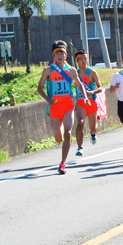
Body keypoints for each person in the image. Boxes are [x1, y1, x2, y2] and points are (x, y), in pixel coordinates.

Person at [37, 40, 90, 174]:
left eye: (62, 53)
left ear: (66, 55)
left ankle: (62, 164)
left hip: (68, 104)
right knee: (58, 138)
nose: (60, 56)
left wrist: (85, 97)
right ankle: (62, 154)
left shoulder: (71, 70)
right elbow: (39, 88)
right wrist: (48, 100)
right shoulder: (48, 70)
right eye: (57, 53)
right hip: (55, 106)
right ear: (53, 55)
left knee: (67, 133)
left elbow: (80, 84)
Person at [74, 49, 103, 157]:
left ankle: (93, 133)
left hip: (91, 102)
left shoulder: (92, 72)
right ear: (77, 61)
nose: (83, 61)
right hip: (80, 103)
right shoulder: (75, 73)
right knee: (80, 122)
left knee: (92, 126)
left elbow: (100, 87)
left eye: (85, 58)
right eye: (80, 59)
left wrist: (91, 92)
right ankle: (80, 147)